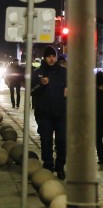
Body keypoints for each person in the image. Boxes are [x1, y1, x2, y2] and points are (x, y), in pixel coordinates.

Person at [31, 45, 67, 180]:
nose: (51, 59)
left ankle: (60, 165)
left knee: (62, 141)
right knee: (46, 141)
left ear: (56, 57)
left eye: (53, 56)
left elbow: (74, 87)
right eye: (48, 57)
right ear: (45, 58)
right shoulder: (38, 72)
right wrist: (40, 83)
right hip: (44, 114)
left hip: (62, 113)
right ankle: (48, 166)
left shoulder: (64, 72)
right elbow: (31, 91)